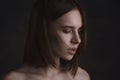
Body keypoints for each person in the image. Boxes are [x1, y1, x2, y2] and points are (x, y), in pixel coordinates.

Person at [3, 0, 90, 80]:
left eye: (79, 31)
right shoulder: (14, 78)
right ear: (43, 30)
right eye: (67, 31)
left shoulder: (81, 77)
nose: (78, 40)